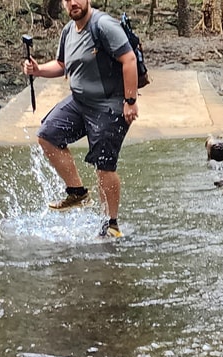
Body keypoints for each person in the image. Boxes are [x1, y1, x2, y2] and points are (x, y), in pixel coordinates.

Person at [22, 0, 140, 238]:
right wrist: (38, 70)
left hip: (109, 105)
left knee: (104, 165)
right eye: (68, 0)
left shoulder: (103, 25)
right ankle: (77, 192)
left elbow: (129, 60)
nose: (73, 3)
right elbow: (62, 65)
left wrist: (130, 101)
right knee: (48, 135)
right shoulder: (68, 31)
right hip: (79, 102)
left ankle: (111, 223)